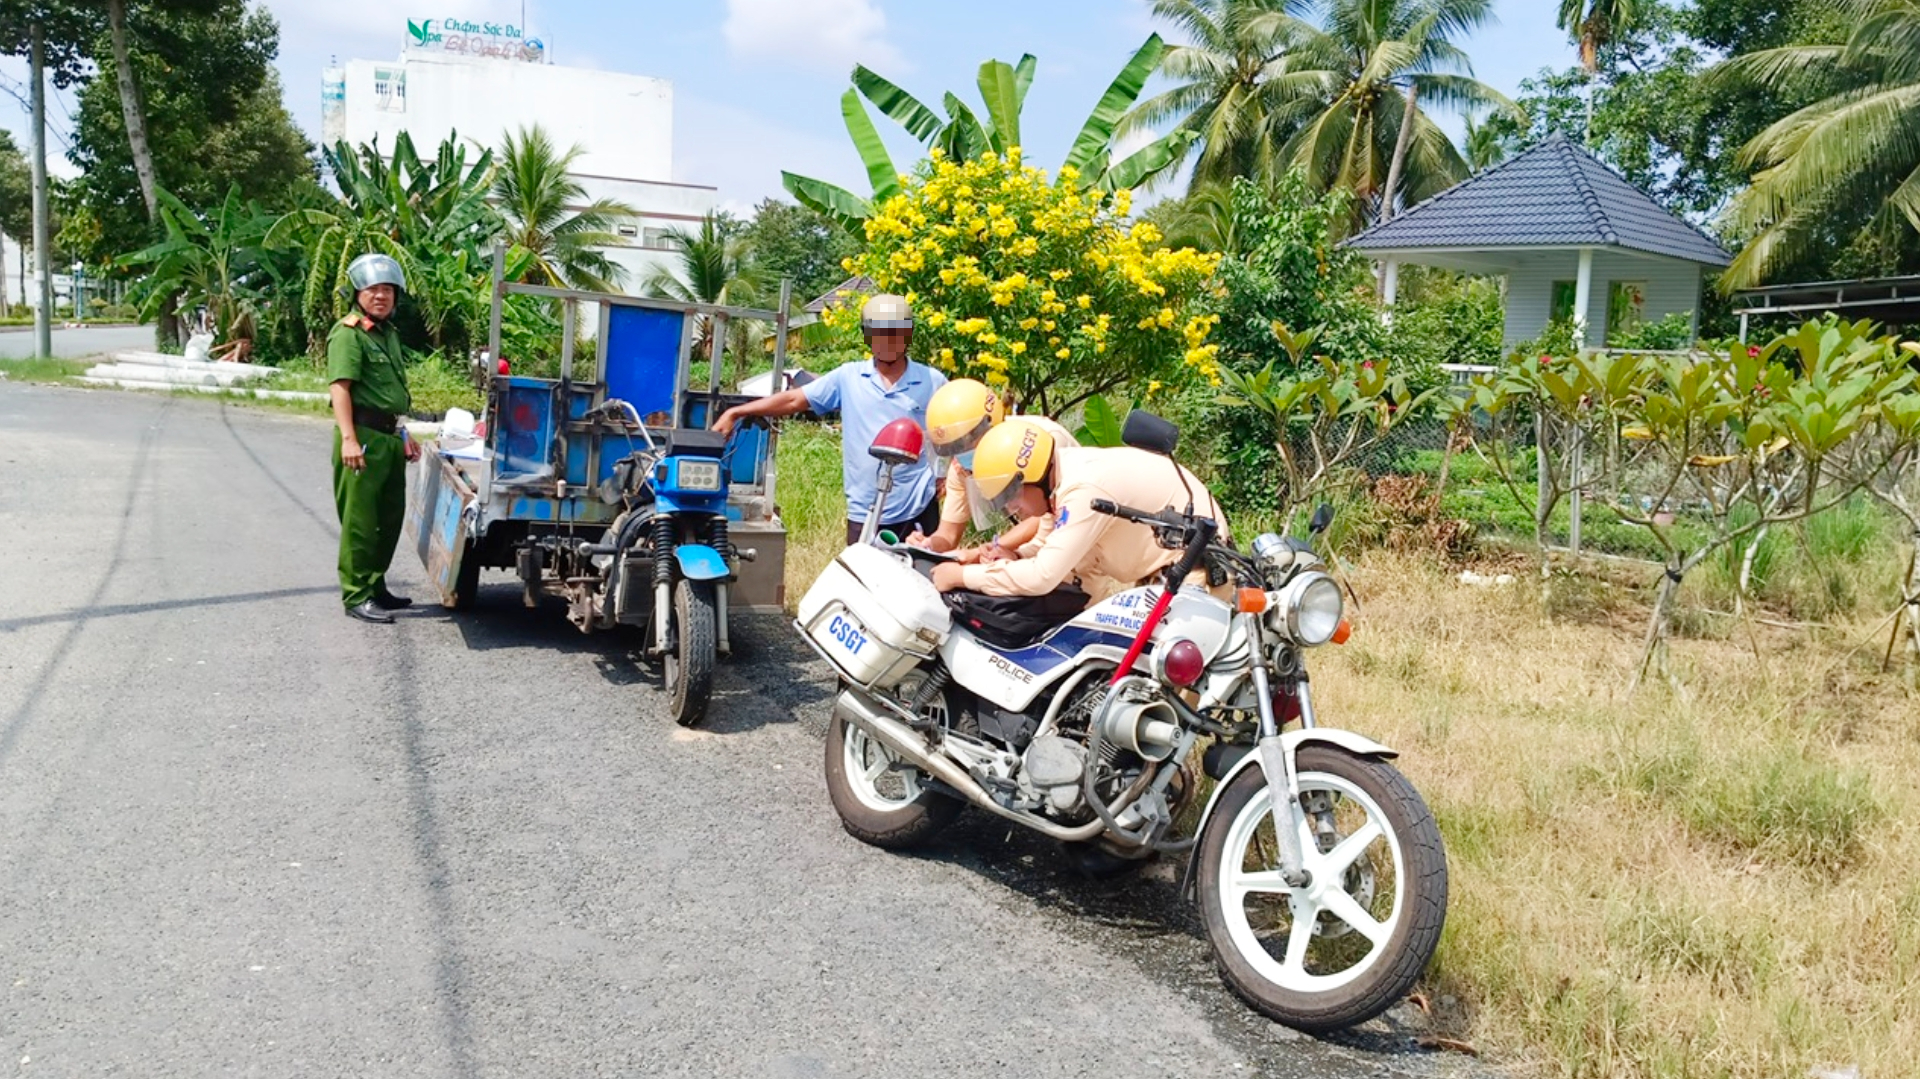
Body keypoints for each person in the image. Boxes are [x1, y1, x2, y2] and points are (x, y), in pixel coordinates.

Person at [712, 293, 947, 544]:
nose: (888, 340)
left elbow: (958, 430)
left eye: (895, 332)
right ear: (868, 336)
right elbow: (793, 400)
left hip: (917, 508)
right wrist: (737, 412)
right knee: (862, 581)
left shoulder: (932, 381)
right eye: (879, 332)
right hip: (864, 510)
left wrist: (947, 474)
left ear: (907, 335)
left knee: (918, 579)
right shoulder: (849, 377)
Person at [931, 418, 1226, 600]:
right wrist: (1016, 555)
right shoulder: (1063, 478)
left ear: (1034, 479)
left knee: (1162, 692)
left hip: (1196, 573)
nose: (1011, 506)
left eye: (1012, 494)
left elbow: (1042, 576)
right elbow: (1051, 544)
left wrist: (960, 577)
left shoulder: (1084, 489)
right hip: (1165, 574)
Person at [328, 253, 420, 624]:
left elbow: (390, 391)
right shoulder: (348, 334)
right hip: (362, 438)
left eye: (387, 290)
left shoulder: (388, 335)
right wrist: (349, 439)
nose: (380, 296)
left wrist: (403, 431)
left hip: (388, 439)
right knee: (360, 522)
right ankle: (356, 595)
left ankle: (375, 585)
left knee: (388, 518)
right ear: (357, 293)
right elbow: (341, 389)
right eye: (372, 290)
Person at [914, 378, 1077, 562]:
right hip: (1034, 554)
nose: (959, 455)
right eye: (951, 449)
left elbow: (1043, 514)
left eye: (963, 444)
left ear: (989, 423)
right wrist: (928, 544)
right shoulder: (962, 469)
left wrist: (983, 552)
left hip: (1075, 539)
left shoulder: (1040, 441)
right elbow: (949, 533)